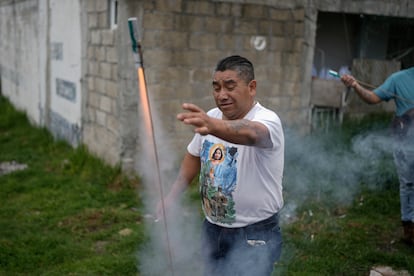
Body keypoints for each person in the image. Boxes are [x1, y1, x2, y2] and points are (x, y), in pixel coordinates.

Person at [158, 55, 285, 275]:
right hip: (213, 227)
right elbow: (193, 157)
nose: (221, 95)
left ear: (251, 87)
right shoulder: (211, 117)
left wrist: (214, 125)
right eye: (216, 88)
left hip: (254, 232)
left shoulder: (268, 120)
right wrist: (172, 195)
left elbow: (252, 133)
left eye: (230, 86)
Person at [341, 67, 414, 244]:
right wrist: (356, 86)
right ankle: (409, 228)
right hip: (405, 138)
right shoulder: (399, 78)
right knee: (408, 184)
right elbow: (373, 98)